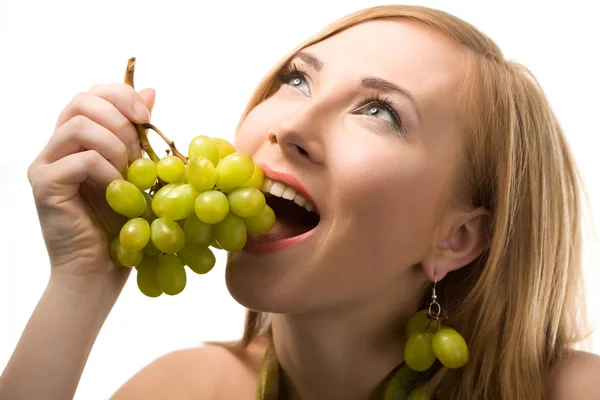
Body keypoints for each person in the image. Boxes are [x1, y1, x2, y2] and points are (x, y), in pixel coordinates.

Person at [1, 4, 599, 399]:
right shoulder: (180, 389)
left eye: (380, 112)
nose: (290, 125)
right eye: (297, 80)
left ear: (457, 237)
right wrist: (79, 282)